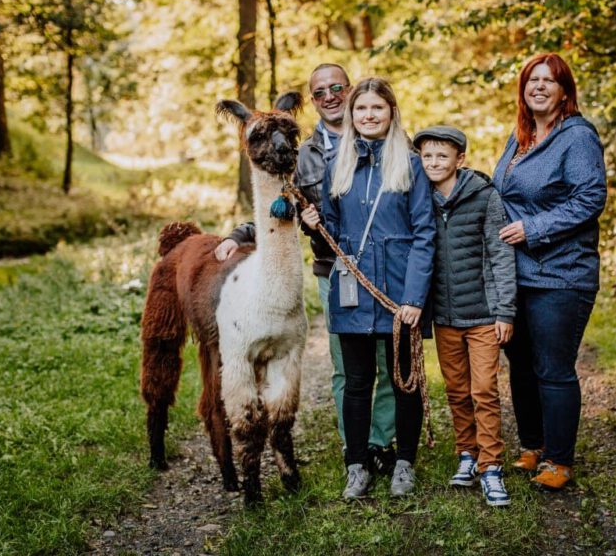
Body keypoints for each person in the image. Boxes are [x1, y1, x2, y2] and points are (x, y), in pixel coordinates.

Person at [214, 64, 397, 473]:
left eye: (337, 87)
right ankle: (355, 449)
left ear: (350, 90)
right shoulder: (301, 154)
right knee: (346, 365)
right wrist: (238, 235)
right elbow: (276, 203)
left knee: (389, 363)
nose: (330, 96)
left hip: (388, 269)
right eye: (320, 92)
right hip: (336, 270)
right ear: (312, 101)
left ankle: (381, 443)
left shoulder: (384, 141)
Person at [301, 77, 435, 499]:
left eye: (377, 107)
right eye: (362, 108)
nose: (369, 115)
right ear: (352, 114)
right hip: (353, 290)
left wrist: (414, 298)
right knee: (357, 380)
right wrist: (315, 226)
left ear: (391, 112)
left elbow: (424, 234)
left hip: (398, 292)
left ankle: (404, 463)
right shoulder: (337, 165)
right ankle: (356, 465)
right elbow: (335, 233)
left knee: (404, 380)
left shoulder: (411, 165)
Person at [492, 53, 607, 491]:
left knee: (552, 367)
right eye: (532, 80)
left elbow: (590, 198)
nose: (539, 86)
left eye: (549, 80)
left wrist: (534, 228)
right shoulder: (520, 136)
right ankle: (533, 445)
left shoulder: (577, 137)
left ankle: (560, 460)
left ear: (564, 92)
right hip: (517, 272)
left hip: (562, 273)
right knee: (520, 363)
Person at [414, 125, 516, 507]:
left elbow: (501, 255)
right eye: (427, 156)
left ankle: (491, 466)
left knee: (484, 390)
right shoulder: (420, 199)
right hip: (444, 318)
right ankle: (467, 453)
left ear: (460, 159)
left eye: (442, 156)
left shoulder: (485, 197)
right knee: (457, 391)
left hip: (484, 316)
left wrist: (505, 311)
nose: (433, 162)